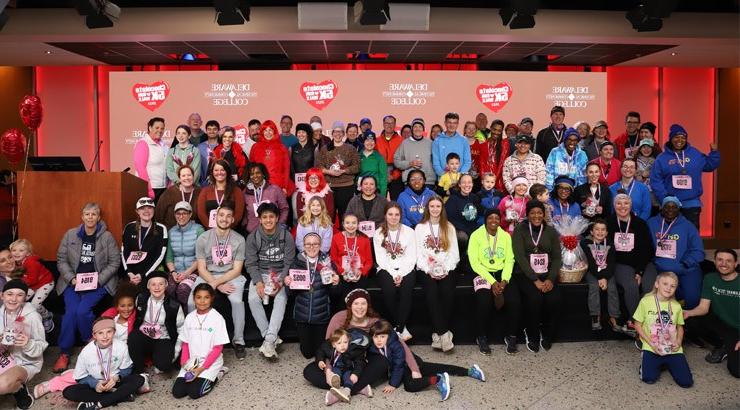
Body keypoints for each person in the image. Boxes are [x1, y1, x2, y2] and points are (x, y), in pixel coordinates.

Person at [302, 289, 421, 397]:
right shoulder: (339, 318)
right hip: (338, 363)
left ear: (368, 305)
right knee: (309, 371)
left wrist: (414, 369)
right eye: (356, 303)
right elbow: (327, 347)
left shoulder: (375, 321)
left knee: (382, 362)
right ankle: (357, 387)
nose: (360, 307)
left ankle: (345, 390)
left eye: (363, 303)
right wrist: (328, 371)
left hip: (361, 363)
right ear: (350, 305)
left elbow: (399, 343)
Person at [33, 283, 140, 400]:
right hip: (104, 353)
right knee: (85, 377)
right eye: (122, 306)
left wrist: (115, 377)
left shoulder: (135, 320)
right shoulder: (110, 319)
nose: (126, 309)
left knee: (131, 379)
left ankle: (113, 392)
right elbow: (99, 334)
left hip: (119, 358)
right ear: (117, 306)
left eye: (130, 305)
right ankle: (52, 384)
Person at [54, 203, 121, 373]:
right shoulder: (70, 235)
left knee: (82, 311)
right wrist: (71, 278)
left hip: (98, 284)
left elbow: (115, 262)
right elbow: (61, 259)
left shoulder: (106, 237)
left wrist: (99, 279)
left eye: (94, 214)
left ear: (99, 218)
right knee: (70, 313)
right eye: (87, 214)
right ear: (82, 216)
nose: (90, 217)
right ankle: (64, 352)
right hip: (73, 284)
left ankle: (90, 342)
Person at [369, 320, 485, 402]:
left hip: (409, 365)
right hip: (404, 368)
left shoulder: (395, 345)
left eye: (382, 337)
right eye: (376, 337)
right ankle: (468, 372)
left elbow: (399, 365)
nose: (379, 340)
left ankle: (442, 379)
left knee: (410, 385)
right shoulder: (374, 347)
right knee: (439, 368)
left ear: (388, 336)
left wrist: (392, 384)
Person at [194, 205, 248, 359]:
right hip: (208, 275)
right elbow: (201, 268)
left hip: (231, 275)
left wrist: (219, 283)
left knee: (237, 301)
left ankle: (238, 341)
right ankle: (197, 340)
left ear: (232, 219)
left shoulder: (239, 239)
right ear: (215, 217)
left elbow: (237, 270)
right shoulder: (203, 238)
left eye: (228, 216)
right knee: (193, 302)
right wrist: (216, 283)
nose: (224, 219)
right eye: (221, 215)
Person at [245, 202, 296, 359]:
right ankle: (270, 337)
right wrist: (259, 282)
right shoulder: (253, 237)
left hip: (280, 274)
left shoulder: (285, 235)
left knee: (281, 299)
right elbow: (251, 263)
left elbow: (289, 261)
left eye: (271, 217)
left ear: (277, 218)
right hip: (261, 273)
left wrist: (280, 282)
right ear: (259, 219)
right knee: (253, 298)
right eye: (264, 217)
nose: (268, 220)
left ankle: (268, 340)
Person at [512, 200, 563, 352]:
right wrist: (535, 279)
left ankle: (548, 334)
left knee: (555, 299)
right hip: (525, 274)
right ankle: (532, 333)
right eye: (533, 213)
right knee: (535, 298)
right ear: (527, 214)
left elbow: (557, 258)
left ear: (544, 214)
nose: (536, 216)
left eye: (539, 213)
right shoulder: (520, 230)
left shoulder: (551, 231)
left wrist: (550, 279)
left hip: (546, 274)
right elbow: (519, 256)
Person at [62, 317, 144, 409]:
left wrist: (116, 378)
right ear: (94, 335)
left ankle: (98, 404)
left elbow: (127, 369)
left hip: (115, 383)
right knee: (68, 392)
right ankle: (121, 396)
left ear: (114, 332)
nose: (105, 336)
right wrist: (95, 384)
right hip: (96, 386)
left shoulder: (122, 346)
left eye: (109, 332)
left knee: (139, 379)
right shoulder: (86, 352)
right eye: (100, 333)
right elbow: (80, 378)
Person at [650, 124, 720, 230]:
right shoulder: (662, 158)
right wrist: (665, 198)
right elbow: (656, 180)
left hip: (691, 203)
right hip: (671, 204)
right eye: (676, 137)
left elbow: (709, 165)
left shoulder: (694, 153)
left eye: (683, 138)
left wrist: (714, 153)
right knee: (671, 235)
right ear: (671, 139)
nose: (680, 140)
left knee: (691, 234)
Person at [468, 208, 518, 355]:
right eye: (490, 218)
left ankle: (511, 336)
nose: (494, 221)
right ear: (485, 220)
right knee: (483, 300)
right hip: (482, 272)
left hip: (502, 273)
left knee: (515, 301)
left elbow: (510, 260)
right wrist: (492, 281)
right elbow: (474, 262)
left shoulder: (506, 237)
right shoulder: (476, 235)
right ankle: (481, 336)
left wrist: (504, 280)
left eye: (497, 218)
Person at [683, 249, 739, 378]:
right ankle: (722, 345)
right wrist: (688, 313)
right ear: (714, 261)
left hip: (738, 329)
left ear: (735, 264)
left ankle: (728, 346)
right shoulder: (710, 278)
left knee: (737, 371)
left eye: (728, 261)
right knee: (691, 320)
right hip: (722, 324)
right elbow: (703, 308)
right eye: (720, 260)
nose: (723, 263)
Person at [633, 271, 693, 388]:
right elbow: (637, 325)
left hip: (672, 347)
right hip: (652, 346)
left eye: (672, 286)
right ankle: (648, 363)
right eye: (665, 284)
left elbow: (680, 327)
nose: (668, 288)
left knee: (686, 383)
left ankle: (667, 364)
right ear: (657, 284)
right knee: (649, 378)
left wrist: (679, 341)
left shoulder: (676, 306)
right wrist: (650, 343)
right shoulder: (646, 301)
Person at [415, 196, 459, 352]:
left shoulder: (449, 227)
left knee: (447, 293)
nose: (435, 209)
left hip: (447, 268)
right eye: (432, 206)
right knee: (432, 293)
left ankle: (437, 333)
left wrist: (445, 268)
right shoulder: (420, 228)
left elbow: (455, 254)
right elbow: (418, 253)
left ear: (442, 208)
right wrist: (429, 269)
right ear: (428, 208)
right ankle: (445, 334)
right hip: (426, 269)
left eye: (438, 206)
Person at [172, 283, 230, 400]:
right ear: (194, 298)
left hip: (210, 362)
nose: (202, 301)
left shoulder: (217, 318)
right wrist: (184, 363)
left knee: (194, 392)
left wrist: (200, 370)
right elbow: (186, 343)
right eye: (199, 297)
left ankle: (219, 373)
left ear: (212, 298)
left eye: (206, 297)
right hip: (192, 361)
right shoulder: (190, 317)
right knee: (178, 392)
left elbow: (218, 348)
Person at [288, 232, 340, 360]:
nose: (312, 247)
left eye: (315, 244)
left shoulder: (327, 263)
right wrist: (288, 284)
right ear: (303, 246)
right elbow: (290, 294)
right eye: (308, 244)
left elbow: (335, 295)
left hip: (321, 315)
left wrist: (335, 284)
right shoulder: (297, 262)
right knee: (307, 353)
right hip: (302, 315)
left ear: (320, 245)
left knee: (319, 352)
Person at [645, 197, 704, 309]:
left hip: (685, 268)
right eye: (667, 206)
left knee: (692, 299)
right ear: (661, 208)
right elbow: (645, 246)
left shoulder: (688, 226)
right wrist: (654, 260)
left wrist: (686, 263)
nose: (670, 210)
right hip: (661, 269)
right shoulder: (651, 223)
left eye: (674, 207)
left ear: (679, 209)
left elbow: (698, 250)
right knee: (657, 296)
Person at [607, 194, 653, 334]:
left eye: (626, 203)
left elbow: (647, 249)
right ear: (614, 206)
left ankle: (651, 321)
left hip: (642, 262)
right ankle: (635, 321)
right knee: (631, 285)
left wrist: (639, 271)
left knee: (650, 286)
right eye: (619, 203)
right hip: (621, 263)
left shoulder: (640, 223)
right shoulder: (608, 223)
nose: (622, 206)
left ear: (630, 205)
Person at [0, 280, 46, 410]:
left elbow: (40, 347)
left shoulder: (33, 317)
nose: (14, 299)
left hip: (25, 361)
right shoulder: (0, 313)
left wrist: (28, 344)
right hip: (4, 357)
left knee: (2, 385)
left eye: (20, 295)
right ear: (2, 295)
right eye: (10, 294)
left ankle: (19, 390)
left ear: (25, 298)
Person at [374, 203, 417, 340]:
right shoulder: (379, 232)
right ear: (385, 216)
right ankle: (402, 328)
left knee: (406, 290)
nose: (393, 217)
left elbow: (411, 257)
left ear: (401, 216)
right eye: (390, 214)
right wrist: (394, 274)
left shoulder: (409, 232)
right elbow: (381, 259)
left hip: (406, 268)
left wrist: (401, 273)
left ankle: (398, 329)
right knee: (389, 291)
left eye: (397, 214)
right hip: (386, 268)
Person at [128, 271, 184, 374]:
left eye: (160, 284)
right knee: (133, 337)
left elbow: (182, 330)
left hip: (163, 338)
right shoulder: (140, 299)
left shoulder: (174, 305)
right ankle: (139, 370)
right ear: (148, 286)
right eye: (153, 284)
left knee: (165, 366)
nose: (157, 287)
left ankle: (157, 357)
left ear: (166, 285)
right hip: (144, 334)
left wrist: (175, 353)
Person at [165, 201, 205, 311]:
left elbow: (201, 257)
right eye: (178, 213)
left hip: (193, 270)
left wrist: (187, 273)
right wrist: (173, 272)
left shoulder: (199, 230)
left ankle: (188, 317)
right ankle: (176, 318)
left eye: (184, 213)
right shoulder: (171, 231)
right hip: (176, 271)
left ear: (190, 214)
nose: (181, 216)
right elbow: (169, 257)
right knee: (169, 289)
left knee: (183, 289)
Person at [317, 121, 361, 221]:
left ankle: (344, 235)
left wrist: (344, 170)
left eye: (340, 132)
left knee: (344, 215)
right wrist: (329, 172)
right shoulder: (325, 149)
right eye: (335, 132)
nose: (338, 134)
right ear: (332, 133)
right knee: (328, 215)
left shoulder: (351, 148)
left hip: (346, 186)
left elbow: (357, 166)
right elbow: (318, 166)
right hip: (329, 187)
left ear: (344, 134)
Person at [580, 218, 619, 331]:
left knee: (612, 287)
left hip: (606, 271)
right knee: (593, 286)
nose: (600, 232)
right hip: (591, 271)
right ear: (592, 232)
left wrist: (605, 277)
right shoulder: (585, 243)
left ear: (606, 232)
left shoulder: (610, 244)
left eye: (603, 230)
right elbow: (590, 263)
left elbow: (611, 263)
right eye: (597, 229)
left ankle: (614, 316)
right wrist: (600, 277)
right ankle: (595, 316)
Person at [121, 197, 168, 288]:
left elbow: (160, 256)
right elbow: (124, 252)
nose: (146, 211)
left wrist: (143, 275)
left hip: (150, 272)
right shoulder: (129, 227)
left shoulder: (161, 229)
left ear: (154, 210)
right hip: (130, 273)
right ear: (137, 211)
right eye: (142, 208)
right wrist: (129, 272)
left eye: (149, 208)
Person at [9, 239, 54, 332]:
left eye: (21, 250)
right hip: (34, 284)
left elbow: (32, 280)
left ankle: (47, 316)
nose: (17, 253)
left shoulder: (31, 263)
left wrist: (17, 281)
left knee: (35, 305)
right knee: (19, 300)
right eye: (14, 250)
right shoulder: (17, 262)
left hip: (45, 283)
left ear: (28, 253)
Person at [330, 214, 373, 310]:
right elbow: (333, 259)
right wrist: (342, 272)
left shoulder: (364, 239)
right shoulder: (336, 238)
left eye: (354, 223)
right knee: (342, 299)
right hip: (342, 274)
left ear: (358, 225)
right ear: (343, 224)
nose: (351, 225)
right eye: (347, 223)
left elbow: (369, 261)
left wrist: (361, 272)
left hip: (359, 274)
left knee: (358, 299)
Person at [316, 328, 368, 405]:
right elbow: (320, 352)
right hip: (336, 367)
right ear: (334, 345)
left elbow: (360, 362)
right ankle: (336, 386)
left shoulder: (353, 351)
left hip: (348, 369)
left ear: (349, 342)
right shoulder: (329, 349)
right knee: (335, 374)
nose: (343, 345)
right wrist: (320, 360)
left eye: (345, 342)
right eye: (339, 343)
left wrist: (356, 374)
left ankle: (347, 391)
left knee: (348, 377)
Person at [196, 159, 245, 229]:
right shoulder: (205, 191)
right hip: (210, 231)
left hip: (230, 231)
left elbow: (238, 214)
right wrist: (211, 228)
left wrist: (226, 228)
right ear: (212, 172)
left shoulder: (236, 191)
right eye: (216, 170)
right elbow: (201, 213)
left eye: (222, 170)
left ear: (227, 172)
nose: (219, 172)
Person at [250, 120, 295, 197]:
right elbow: (251, 168)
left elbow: (286, 169)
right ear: (262, 132)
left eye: (270, 130)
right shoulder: (255, 147)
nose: (268, 133)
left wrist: (285, 187)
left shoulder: (282, 148)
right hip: (260, 184)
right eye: (265, 130)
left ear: (274, 132)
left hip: (278, 185)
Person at [444, 174, 482, 262]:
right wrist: (469, 231)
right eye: (464, 182)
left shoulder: (474, 197)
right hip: (458, 229)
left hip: (471, 227)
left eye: (469, 182)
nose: (467, 185)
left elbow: (481, 211)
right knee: (463, 237)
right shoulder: (453, 199)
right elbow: (451, 219)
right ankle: (459, 260)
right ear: (459, 185)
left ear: (472, 184)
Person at [242, 162, 289, 234]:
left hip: (274, 232)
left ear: (263, 174)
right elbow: (244, 213)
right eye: (252, 174)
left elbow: (284, 209)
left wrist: (280, 225)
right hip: (253, 233)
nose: (255, 176)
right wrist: (246, 226)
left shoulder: (275, 189)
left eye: (258, 173)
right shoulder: (245, 193)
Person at [154, 165, 201, 229]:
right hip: (171, 232)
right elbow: (159, 213)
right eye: (183, 176)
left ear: (193, 176)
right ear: (179, 178)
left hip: (193, 232)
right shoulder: (170, 192)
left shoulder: (200, 192)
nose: (187, 178)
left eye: (189, 175)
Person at [394, 118, 435, 189]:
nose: (417, 129)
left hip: (428, 181)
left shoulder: (430, 143)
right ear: (412, 129)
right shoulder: (405, 143)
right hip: (410, 181)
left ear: (423, 129)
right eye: (415, 126)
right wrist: (410, 164)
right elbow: (396, 161)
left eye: (420, 127)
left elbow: (435, 161)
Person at [133, 117, 167, 201]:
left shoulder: (164, 145)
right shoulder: (143, 143)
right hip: (149, 188)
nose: (160, 130)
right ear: (150, 128)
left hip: (162, 188)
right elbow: (140, 168)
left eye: (162, 128)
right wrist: (149, 189)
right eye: (157, 128)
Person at [432, 112, 471, 178]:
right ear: (445, 123)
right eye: (449, 122)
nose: (452, 125)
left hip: (460, 181)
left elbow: (467, 161)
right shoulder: (437, 141)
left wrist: (459, 176)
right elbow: (436, 163)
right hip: (443, 180)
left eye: (454, 123)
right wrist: (445, 176)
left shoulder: (464, 140)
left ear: (458, 124)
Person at [476, 119, 509, 192]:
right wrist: (485, 180)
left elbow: (502, 165)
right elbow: (481, 164)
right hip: (486, 182)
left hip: (498, 183)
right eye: (494, 129)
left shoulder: (504, 145)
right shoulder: (483, 145)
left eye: (499, 130)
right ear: (490, 128)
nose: (496, 132)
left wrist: (493, 180)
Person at [376, 115, 404, 200]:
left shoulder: (402, 140)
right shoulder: (376, 140)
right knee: (379, 203)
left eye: (392, 123)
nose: (389, 125)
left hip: (397, 176)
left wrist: (393, 176)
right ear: (383, 124)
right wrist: (383, 175)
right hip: (380, 175)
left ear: (395, 125)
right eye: (387, 123)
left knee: (396, 203)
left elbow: (403, 160)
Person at [358, 132, 388, 198]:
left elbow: (383, 178)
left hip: (376, 191)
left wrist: (382, 196)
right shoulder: (358, 156)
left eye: (372, 141)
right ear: (363, 142)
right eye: (367, 140)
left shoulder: (379, 157)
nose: (370, 143)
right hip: (361, 191)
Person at [197, 120, 221, 187]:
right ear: (206, 131)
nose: (212, 131)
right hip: (204, 184)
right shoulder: (200, 147)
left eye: (214, 129)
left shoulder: (222, 147)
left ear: (218, 131)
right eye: (209, 129)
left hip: (220, 183)